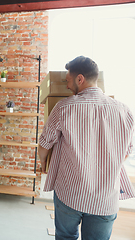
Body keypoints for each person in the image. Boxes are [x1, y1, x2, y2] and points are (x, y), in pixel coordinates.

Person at [38, 56, 134, 240]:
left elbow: (44, 144)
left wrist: (44, 162)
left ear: (79, 79)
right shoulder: (124, 111)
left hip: (70, 193)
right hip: (105, 199)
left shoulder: (64, 107)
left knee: (66, 236)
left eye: (67, 80)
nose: (66, 86)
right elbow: (125, 153)